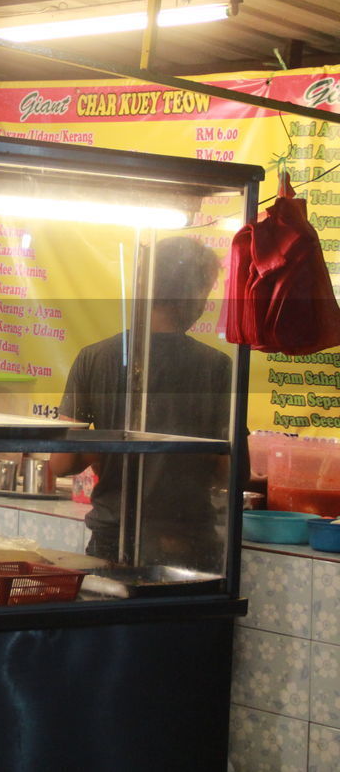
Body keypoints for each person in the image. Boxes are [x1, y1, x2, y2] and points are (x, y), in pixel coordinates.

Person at [52, 236, 232, 571]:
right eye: (205, 293)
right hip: (189, 543)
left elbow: (61, 463)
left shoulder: (94, 359)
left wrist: (106, 445)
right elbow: (233, 471)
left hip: (111, 538)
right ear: (191, 296)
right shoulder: (216, 366)